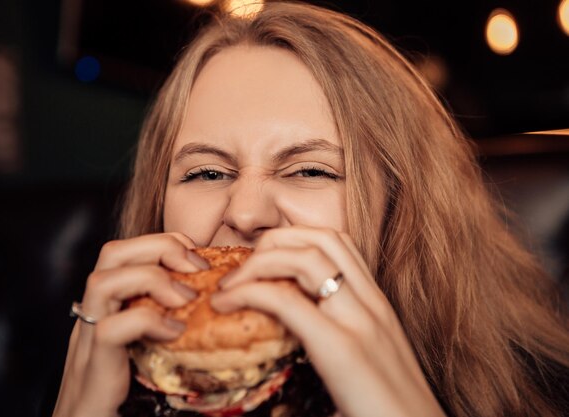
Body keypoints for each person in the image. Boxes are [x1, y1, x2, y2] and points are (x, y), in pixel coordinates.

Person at [51, 2, 569, 417]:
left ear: (403, 210)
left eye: (310, 170)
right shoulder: (101, 394)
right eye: (207, 173)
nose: (248, 214)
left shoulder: (547, 390)